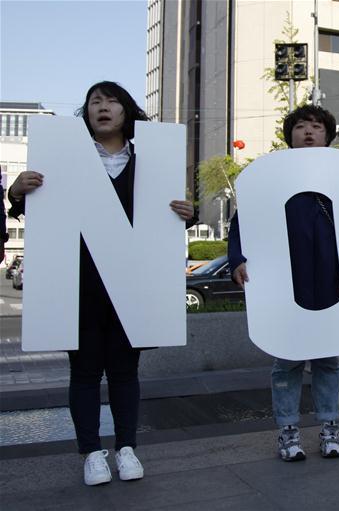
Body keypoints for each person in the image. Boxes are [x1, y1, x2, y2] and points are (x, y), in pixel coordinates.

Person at [6, 81, 196, 485]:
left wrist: (187, 212)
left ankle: (127, 448)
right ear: (87, 113)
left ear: (126, 111)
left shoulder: (152, 159)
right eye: (95, 101)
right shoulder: (65, 159)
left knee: (126, 373)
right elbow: (44, 208)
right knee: (85, 373)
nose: (103, 107)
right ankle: (91, 452)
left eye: (111, 101)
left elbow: (165, 215)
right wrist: (17, 192)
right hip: (81, 287)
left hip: (132, 286)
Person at [227, 104, 339, 461]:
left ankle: (330, 427)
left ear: (328, 136)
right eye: (301, 126)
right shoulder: (271, 180)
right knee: (286, 361)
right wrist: (236, 259)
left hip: (333, 283)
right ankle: (288, 431)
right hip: (288, 284)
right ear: (290, 136)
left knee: (329, 360)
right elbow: (244, 223)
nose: (308, 132)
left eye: (316, 127)